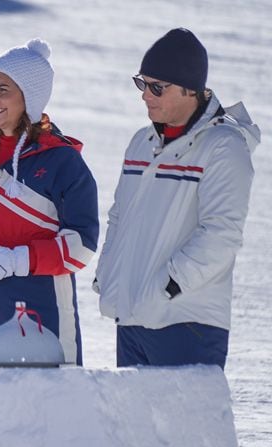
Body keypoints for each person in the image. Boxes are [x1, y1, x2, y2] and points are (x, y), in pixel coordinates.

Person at [94, 28, 260, 369]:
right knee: (134, 423)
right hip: (132, 318)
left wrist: (169, 287)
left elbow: (221, 233)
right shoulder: (141, 143)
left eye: (158, 87)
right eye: (142, 84)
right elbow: (119, 217)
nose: (145, 96)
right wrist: (109, 274)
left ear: (190, 90)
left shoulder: (223, 147)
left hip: (187, 322)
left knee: (184, 424)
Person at [0, 39, 99, 365]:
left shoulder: (61, 160)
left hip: (47, 318)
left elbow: (81, 245)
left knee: (53, 412)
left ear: (30, 96)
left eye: (3, 89)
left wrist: (11, 262)